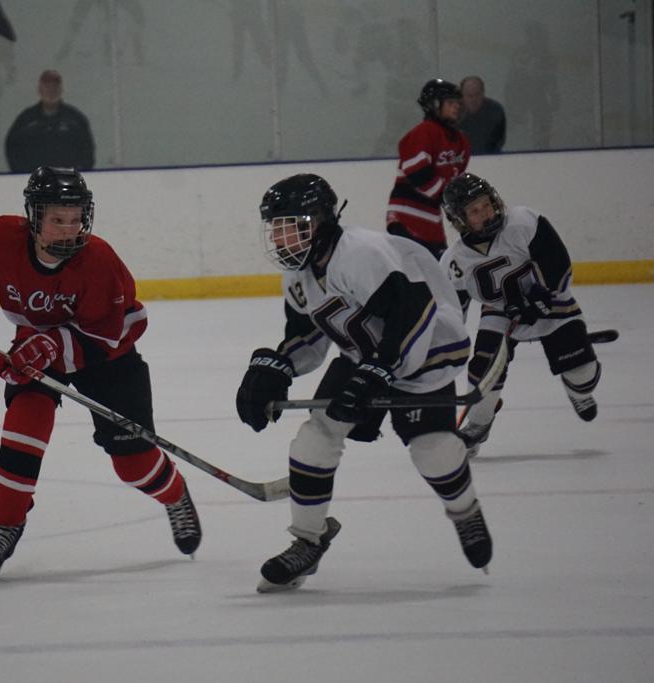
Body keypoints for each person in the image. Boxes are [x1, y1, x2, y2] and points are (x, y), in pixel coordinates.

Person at [0, 166, 201, 581]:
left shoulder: (99, 260)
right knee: (24, 423)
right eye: (57, 219)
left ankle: (175, 495)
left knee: (133, 465)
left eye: (76, 219)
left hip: (109, 357)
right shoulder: (3, 241)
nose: (69, 230)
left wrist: (49, 347)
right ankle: (6, 524)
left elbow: (105, 336)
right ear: (34, 217)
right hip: (37, 345)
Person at [236, 173, 491, 593]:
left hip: (425, 352)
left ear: (319, 222)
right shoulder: (299, 277)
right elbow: (309, 337)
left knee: (433, 451)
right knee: (314, 440)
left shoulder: (361, 254)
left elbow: (413, 315)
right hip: (366, 356)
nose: (280, 238)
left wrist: (377, 373)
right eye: (275, 229)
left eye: (289, 226)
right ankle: (308, 541)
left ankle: (465, 512)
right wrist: (277, 367)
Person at [440, 173, 600, 458]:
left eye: (486, 204)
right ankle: (479, 424)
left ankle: (578, 389)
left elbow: (559, 266)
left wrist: (539, 297)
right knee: (483, 374)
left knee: (583, 375)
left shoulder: (523, 222)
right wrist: (443, 349)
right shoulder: (454, 261)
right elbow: (451, 314)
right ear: (459, 220)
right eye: (474, 211)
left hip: (550, 301)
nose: (486, 213)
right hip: (500, 313)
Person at [386, 78, 470, 258]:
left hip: (431, 222)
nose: (456, 107)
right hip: (405, 217)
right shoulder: (425, 131)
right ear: (435, 105)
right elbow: (417, 173)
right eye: (450, 103)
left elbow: (456, 181)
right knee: (416, 269)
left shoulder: (461, 141)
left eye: (458, 103)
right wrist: (449, 201)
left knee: (438, 269)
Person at [4, 70, 95, 173]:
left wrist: (79, 173)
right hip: (35, 180)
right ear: (39, 90)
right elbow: (12, 148)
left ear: (61, 90)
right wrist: (21, 173)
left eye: (55, 87)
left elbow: (87, 151)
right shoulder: (26, 120)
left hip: (67, 180)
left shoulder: (75, 120)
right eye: (47, 87)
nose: (51, 91)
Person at [459, 76, 506, 155]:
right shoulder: (454, 113)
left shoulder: (495, 111)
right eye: (469, 96)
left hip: (489, 157)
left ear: (483, 93)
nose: (473, 100)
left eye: (477, 95)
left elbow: (498, 141)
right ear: (462, 96)